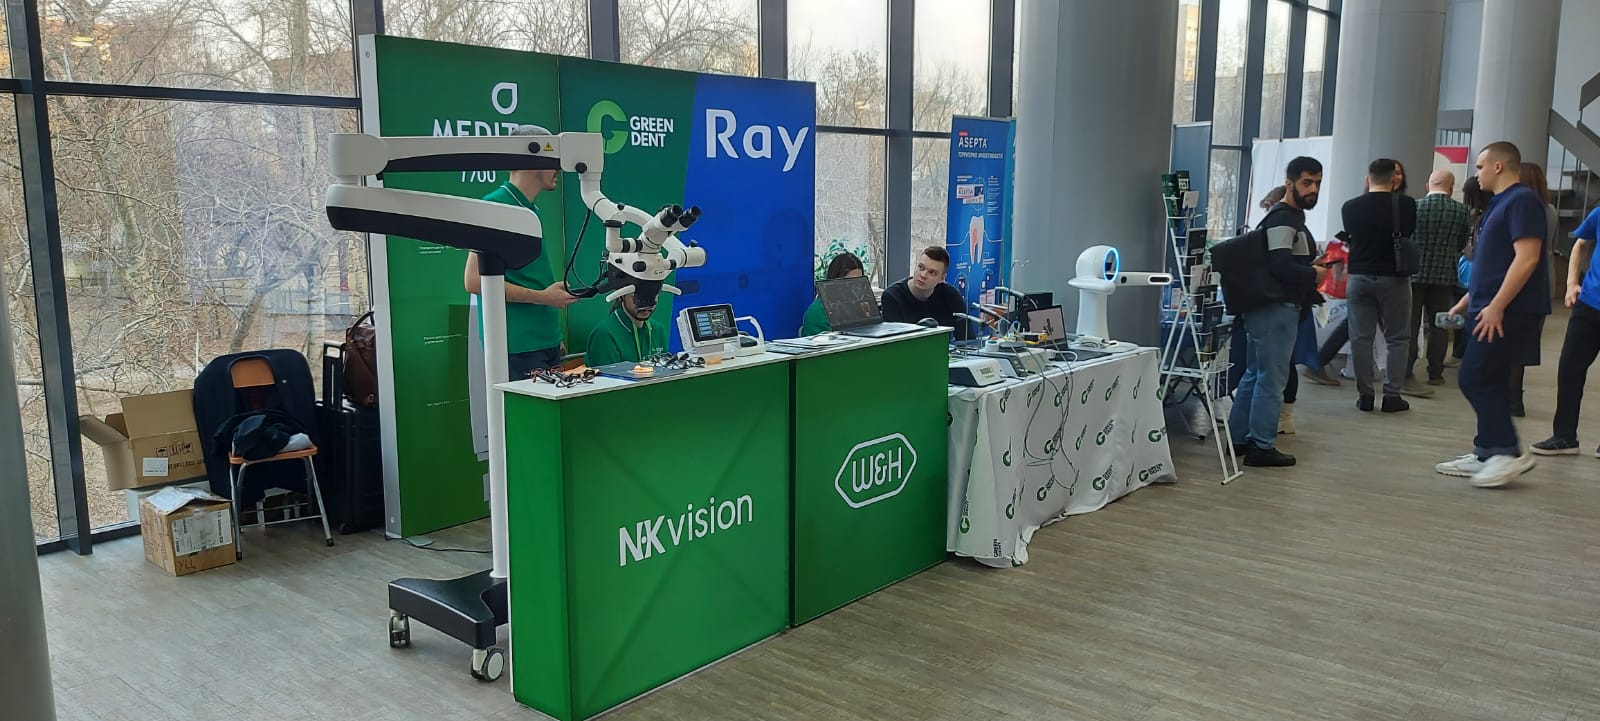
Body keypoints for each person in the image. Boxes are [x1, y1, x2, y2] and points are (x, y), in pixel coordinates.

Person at [1433, 141, 1551, 488]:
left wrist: (1497, 305)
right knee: (1492, 378)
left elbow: (1527, 258)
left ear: (1499, 166)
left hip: (1507, 310)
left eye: (1480, 166)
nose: (1477, 173)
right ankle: (1487, 450)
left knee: (1475, 376)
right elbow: (1495, 265)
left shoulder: (1522, 200)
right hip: (1487, 306)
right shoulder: (1498, 204)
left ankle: (1507, 450)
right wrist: (1467, 301)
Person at [463, 124, 580, 380]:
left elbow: (530, 277)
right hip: (517, 345)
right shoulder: (495, 206)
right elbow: (473, 281)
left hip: (544, 342)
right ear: (532, 159)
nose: (558, 168)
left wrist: (552, 336)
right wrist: (543, 297)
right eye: (553, 159)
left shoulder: (531, 209)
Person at [1229, 156, 1325, 467]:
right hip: (1276, 308)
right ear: (1289, 183)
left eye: (1317, 183)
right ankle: (1261, 445)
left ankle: (1239, 438)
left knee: (1256, 374)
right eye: (1307, 182)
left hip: (1267, 307)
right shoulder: (1284, 219)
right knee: (1271, 378)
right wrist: (1314, 274)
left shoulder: (1287, 218)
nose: (1313, 189)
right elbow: (1280, 264)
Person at [1342, 158, 1420, 411]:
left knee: (1360, 338)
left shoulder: (1349, 207)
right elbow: (1408, 232)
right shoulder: (1406, 205)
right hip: (1394, 278)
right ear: (1394, 178)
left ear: (1368, 178)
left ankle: (1365, 395)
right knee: (1398, 337)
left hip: (1359, 277)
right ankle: (1392, 396)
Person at [1531, 205, 1600, 457]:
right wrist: (1571, 283)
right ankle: (1564, 436)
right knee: (1570, 367)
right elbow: (1581, 244)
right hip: (1589, 304)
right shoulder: (1599, 214)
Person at [1406, 170, 1472, 387]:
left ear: (1428, 186)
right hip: (1444, 276)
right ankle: (1435, 373)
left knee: (1411, 324)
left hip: (1414, 274)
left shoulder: (1414, 207)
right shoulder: (1461, 211)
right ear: (1451, 187)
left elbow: (1407, 238)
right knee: (1441, 325)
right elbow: (1461, 243)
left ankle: (1406, 369)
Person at [1506, 163, 1557, 417]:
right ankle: (1516, 398)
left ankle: (1509, 398)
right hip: (1546, 278)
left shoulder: (1520, 208)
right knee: (1525, 345)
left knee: (1509, 343)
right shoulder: (1551, 210)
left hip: (1522, 277)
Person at [881, 246, 968, 338]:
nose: (923, 275)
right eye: (921, 267)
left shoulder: (951, 295)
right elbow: (894, 341)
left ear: (942, 278)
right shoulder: (892, 296)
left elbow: (967, 339)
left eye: (932, 272)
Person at [584, 293, 668, 367]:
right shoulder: (604, 334)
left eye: (652, 297)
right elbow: (607, 378)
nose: (646, 305)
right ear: (622, 296)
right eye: (637, 297)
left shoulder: (658, 329)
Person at [801, 252, 866, 335]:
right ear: (834, 281)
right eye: (849, 282)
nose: (854, 287)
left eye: (858, 282)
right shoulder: (817, 313)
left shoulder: (858, 306)